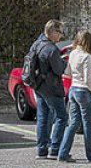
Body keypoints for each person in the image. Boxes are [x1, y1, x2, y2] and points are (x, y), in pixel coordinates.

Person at [58, 31, 91, 162]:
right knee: (88, 125)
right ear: (89, 42)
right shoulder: (87, 57)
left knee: (73, 123)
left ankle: (63, 153)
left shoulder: (72, 53)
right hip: (84, 91)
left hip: (73, 89)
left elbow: (67, 72)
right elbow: (88, 80)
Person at [28, 19, 67, 159]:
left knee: (42, 117)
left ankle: (42, 150)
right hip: (51, 87)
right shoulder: (52, 49)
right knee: (62, 117)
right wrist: (64, 62)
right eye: (60, 32)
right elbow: (59, 70)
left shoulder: (36, 44)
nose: (61, 36)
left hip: (38, 85)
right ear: (53, 32)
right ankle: (55, 150)